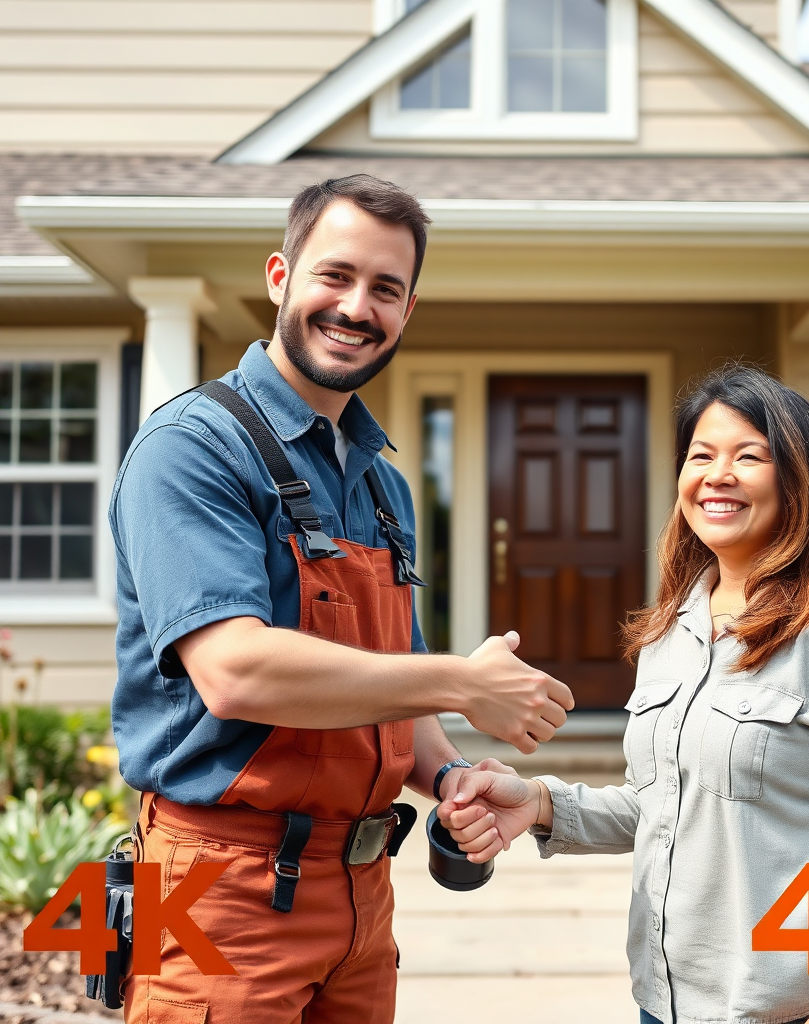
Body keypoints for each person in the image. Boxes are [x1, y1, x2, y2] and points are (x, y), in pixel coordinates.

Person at [109, 174, 574, 1023]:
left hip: (362, 899)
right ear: (281, 277)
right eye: (336, 275)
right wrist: (463, 682)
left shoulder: (383, 483)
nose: (357, 306)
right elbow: (236, 672)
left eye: (385, 289)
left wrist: (454, 776)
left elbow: (396, 693)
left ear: (408, 311)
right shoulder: (192, 449)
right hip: (219, 888)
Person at [441, 365, 809, 1024]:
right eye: (701, 455)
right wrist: (539, 804)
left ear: (800, 478)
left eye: (749, 456)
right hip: (672, 1003)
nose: (717, 474)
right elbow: (669, 807)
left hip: (807, 1009)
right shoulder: (676, 624)